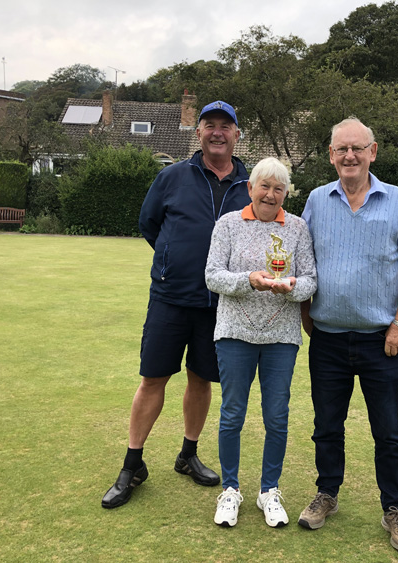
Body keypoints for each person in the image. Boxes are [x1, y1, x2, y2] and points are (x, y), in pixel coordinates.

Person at [102, 101, 251, 509]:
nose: (217, 132)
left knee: (201, 379)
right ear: (198, 133)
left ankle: (187, 454)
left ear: (237, 135)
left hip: (219, 304)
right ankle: (133, 464)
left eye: (226, 126)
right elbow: (149, 224)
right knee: (153, 379)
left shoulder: (250, 185)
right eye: (209, 126)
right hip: (170, 298)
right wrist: (171, 261)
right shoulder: (171, 177)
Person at [297, 118, 398, 553]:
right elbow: (303, 261)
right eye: (341, 150)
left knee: (389, 430)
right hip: (329, 340)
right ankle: (327, 494)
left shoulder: (397, 200)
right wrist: (306, 313)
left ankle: (394, 508)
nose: (349, 156)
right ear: (331, 155)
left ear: (373, 152)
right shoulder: (317, 200)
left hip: (382, 341)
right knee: (326, 426)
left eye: (358, 148)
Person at [205, 157, 317, 528]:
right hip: (235, 332)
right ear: (250, 188)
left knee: (277, 416)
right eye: (264, 186)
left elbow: (310, 280)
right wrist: (248, 280)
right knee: (232, 413)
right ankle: (231, 489)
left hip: (281, 337)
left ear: (286, 193)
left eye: (279, 188)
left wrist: (290, 288)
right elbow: (212, 276)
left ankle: (269, 490)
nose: (271, 194)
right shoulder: (229, 224)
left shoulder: (298, 228)